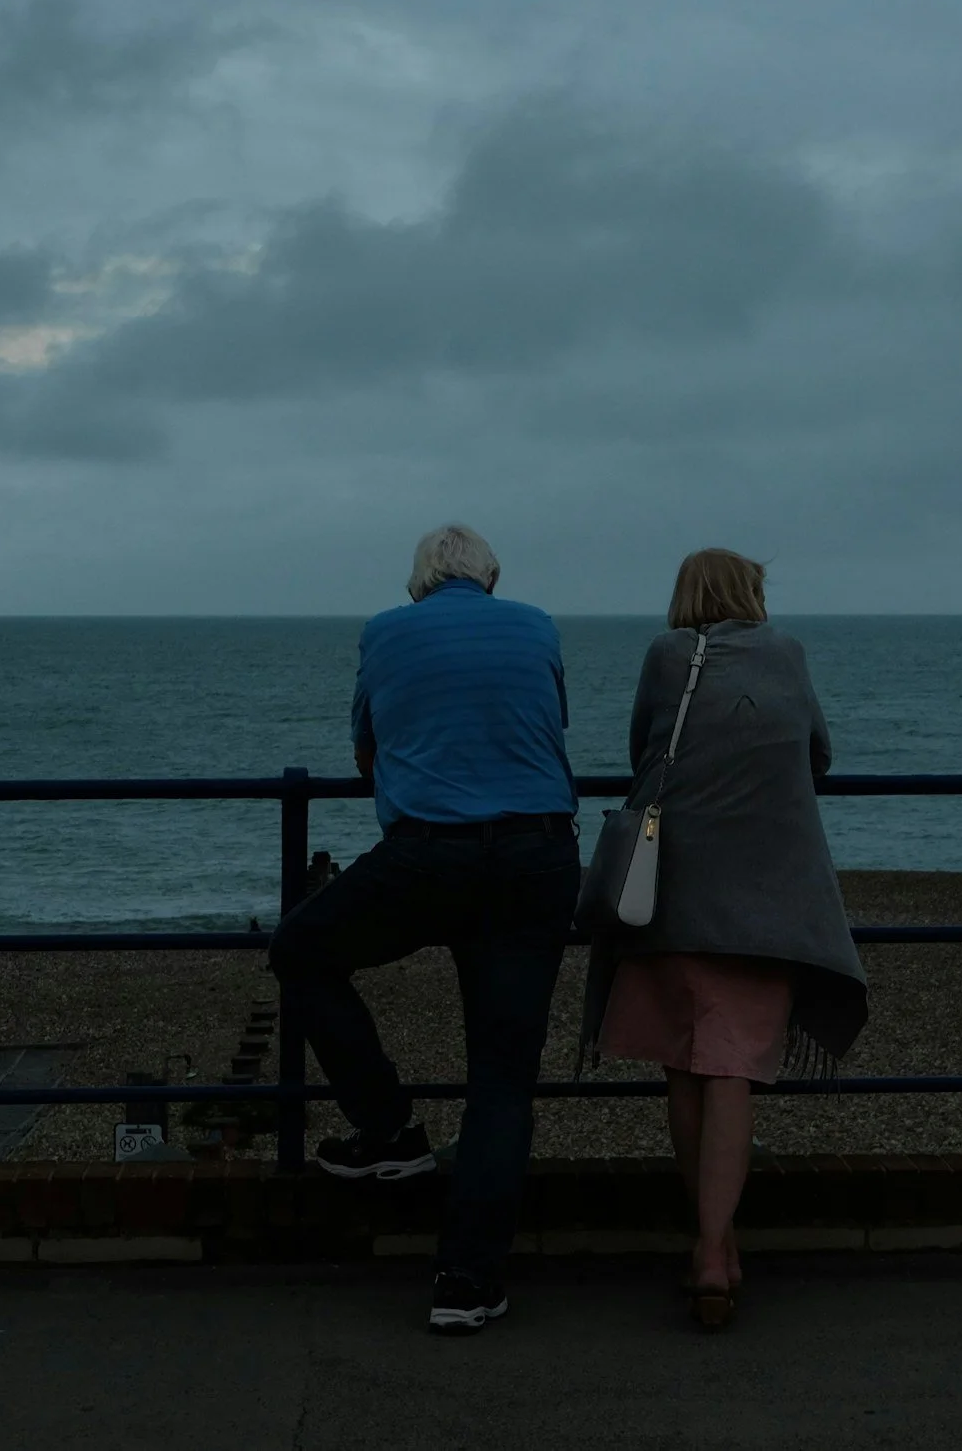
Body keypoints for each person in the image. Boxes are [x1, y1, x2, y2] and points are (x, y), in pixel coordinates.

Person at [267, 524, 579, 1336]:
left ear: (419, 582)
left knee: (300, 950)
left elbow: (370, 750)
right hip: (537, 855)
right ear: (491, 577)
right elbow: (551, 726)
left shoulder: (385, 630)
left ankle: (387, 1126)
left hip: (428, 855)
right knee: (502, 1079)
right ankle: (465, 1281)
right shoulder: (537, 624)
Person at [580, 548, 867, 1329]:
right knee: (733, 1069)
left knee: (685, 1065)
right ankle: (715, 1251)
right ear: (751, 592)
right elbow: (819, 756)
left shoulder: (667, 656)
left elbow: (645, 750)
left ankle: (716, 1242)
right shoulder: (787, 655)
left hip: (670, 893)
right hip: (764, 902)